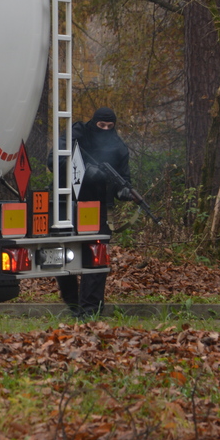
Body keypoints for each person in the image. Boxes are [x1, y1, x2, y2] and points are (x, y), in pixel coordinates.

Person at [59, 106, 133, 317]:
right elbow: (55, 161)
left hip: (96, 207)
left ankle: (91, 310)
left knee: (96, 256)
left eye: (110, 126)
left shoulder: (118, 147)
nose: (105, 130)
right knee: (63, 257)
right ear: (94, 122)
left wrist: (124, 191)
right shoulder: (78, 133)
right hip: (68, 203)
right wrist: (85, 171)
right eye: (101, 125)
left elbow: (124, 180)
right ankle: (74, 305)